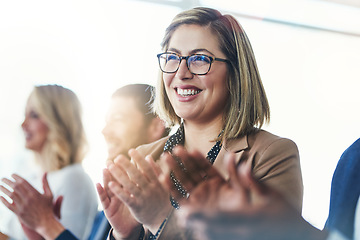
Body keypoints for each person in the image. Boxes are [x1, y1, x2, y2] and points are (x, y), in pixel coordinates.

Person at [98, 7, 303, 240]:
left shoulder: (271, 155)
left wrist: (160, 219)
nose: (182, 72)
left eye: (199, 59)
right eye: (173, 57)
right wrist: (126, 234)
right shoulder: (144, 157)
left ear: (235, 72)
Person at [1, 84, 169, 240]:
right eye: (106, 121)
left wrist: (45, 223)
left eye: (118, 119)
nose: (105, 131)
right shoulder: (113, 209)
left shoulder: (167, 201)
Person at [169, 138, 360, 240]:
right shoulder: (352, 161)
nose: (183, 71)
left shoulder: (273, 150)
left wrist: (157, 216)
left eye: (201, 60)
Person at [0, 85, 98, 240]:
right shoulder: (33, 175)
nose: (23, 125)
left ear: (58, 121)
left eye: (34, 115)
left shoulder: (74, 179)